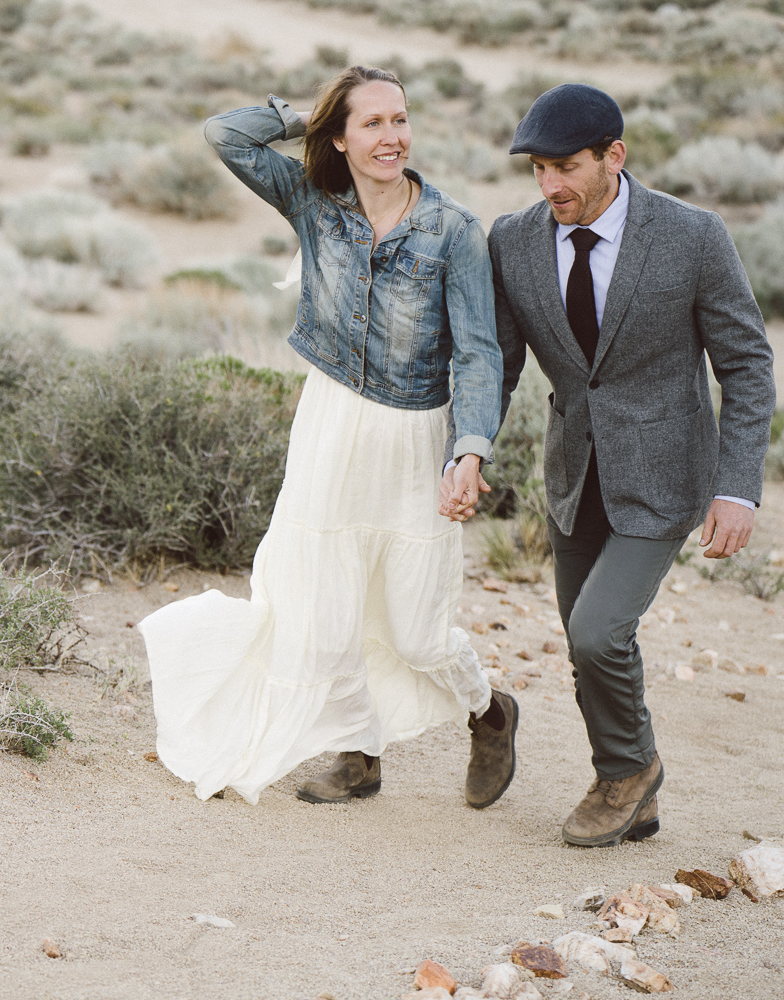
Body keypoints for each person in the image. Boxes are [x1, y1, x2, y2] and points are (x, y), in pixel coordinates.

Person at [139, 66, 519, 808]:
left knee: (416, 630)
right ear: (339, 137)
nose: (392, 137)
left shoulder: (453, 231)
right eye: (372, 123)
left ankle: (490, 710)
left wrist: (469, 449)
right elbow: (227, 133)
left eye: (400, 120)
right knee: (323, 603)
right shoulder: (313, 202)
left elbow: (480, 351)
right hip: (329, 421)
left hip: (413, 436)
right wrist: (300, 117)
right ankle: (359, 753)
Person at [441, 84, 776, 847]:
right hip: (573, 473)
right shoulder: (515, 240)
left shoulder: (693, 236)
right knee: (587, 645)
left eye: (566, 168)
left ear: (613, 157)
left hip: (666, 473)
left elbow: (747, 366)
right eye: (538, 171)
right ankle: (638, 788)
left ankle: (622, 774)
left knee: (598, 633)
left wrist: (736, 486)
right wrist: (470, 447)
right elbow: (496, 362)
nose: (551, 186)